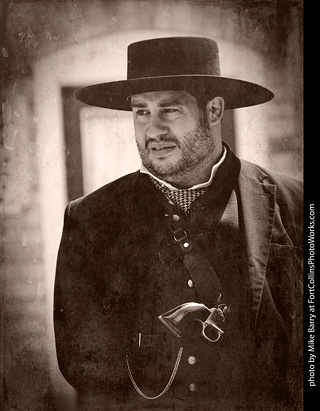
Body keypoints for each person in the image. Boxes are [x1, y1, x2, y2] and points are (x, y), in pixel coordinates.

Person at [54, 37, 303, 411]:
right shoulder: (90, 218)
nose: (152, 130)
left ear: (214, 110)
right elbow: (84, 365)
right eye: (141, 112)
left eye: (169, 110)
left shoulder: (294, 203)